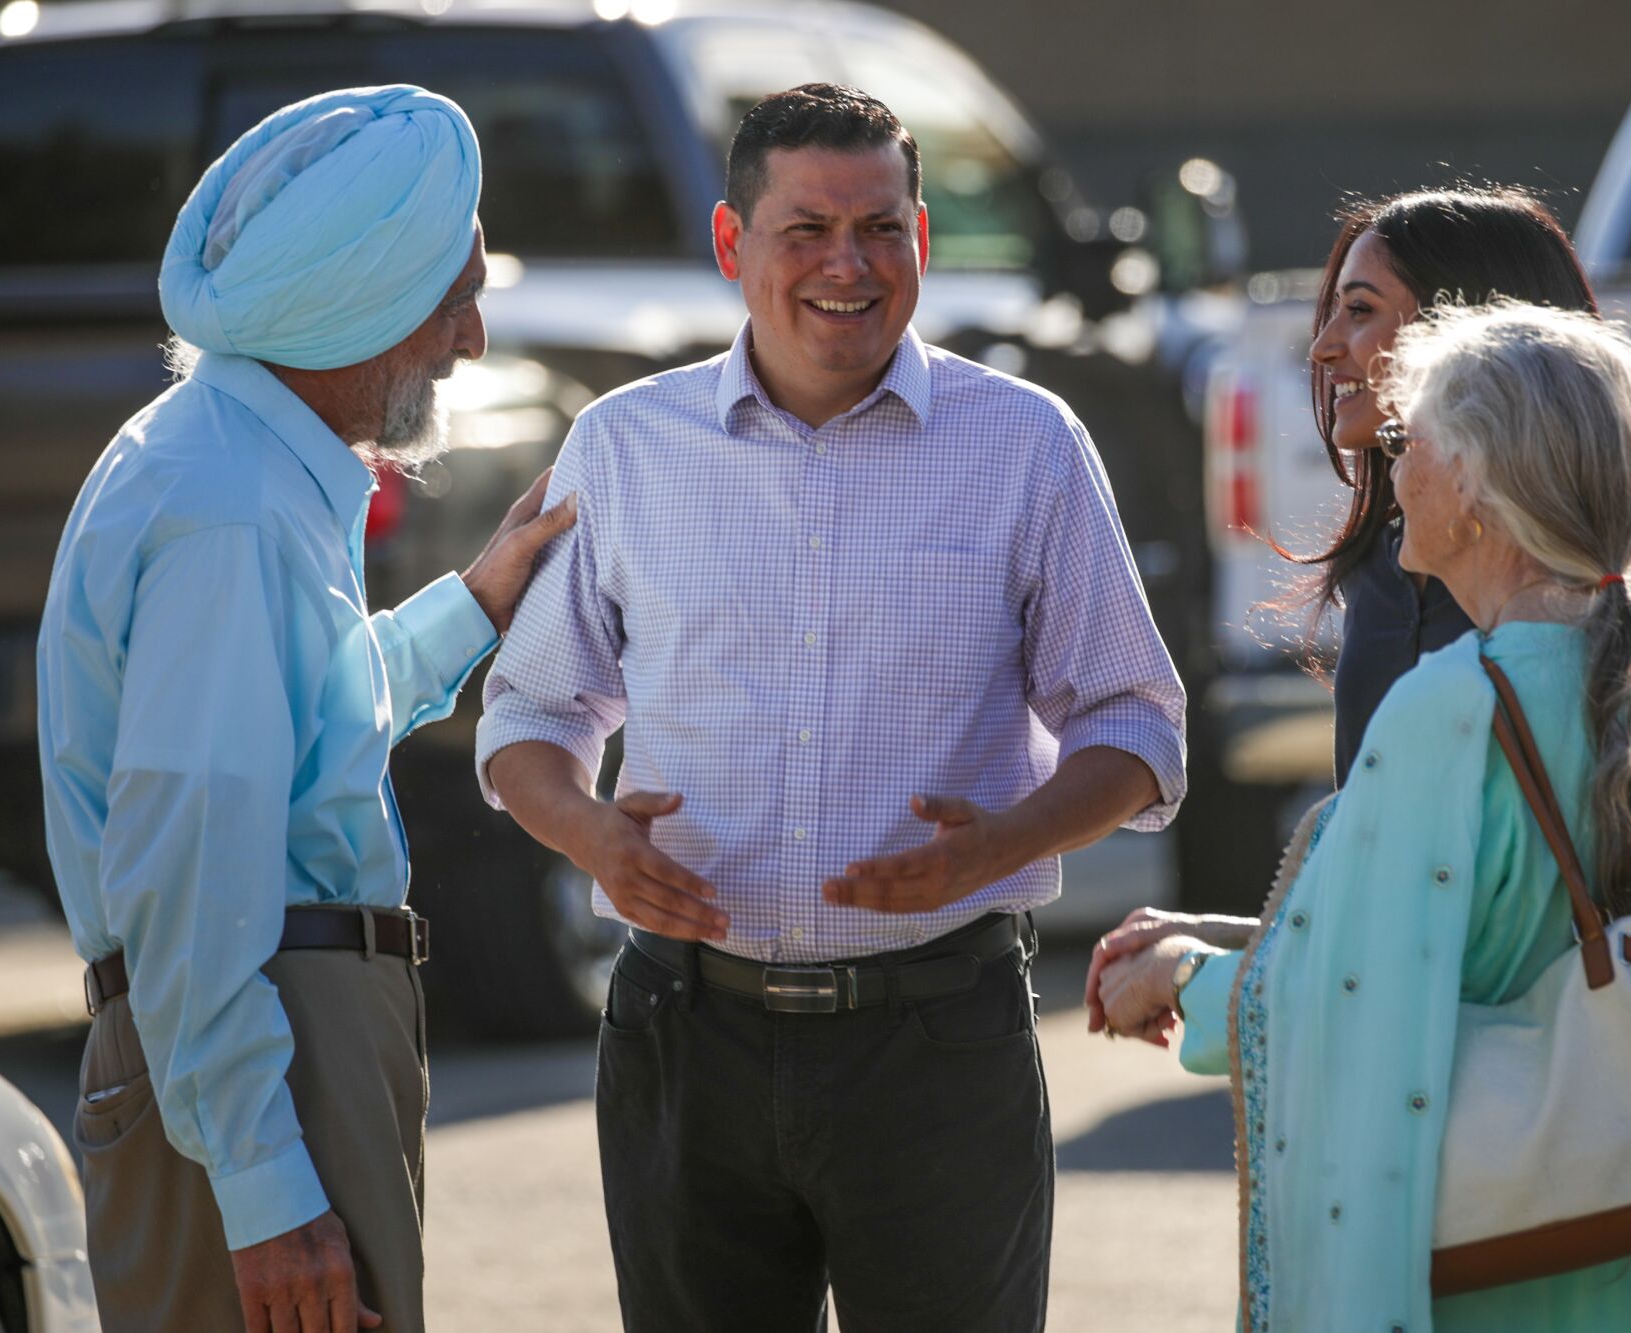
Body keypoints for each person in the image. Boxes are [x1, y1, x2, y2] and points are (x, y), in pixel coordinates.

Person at [478, 83, 1185, 1331]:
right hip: (682, 1035)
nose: (846, 266)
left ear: (920, 238)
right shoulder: (624, 448)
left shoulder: (1023, 442)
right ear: (729, 244)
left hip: (937, 1040)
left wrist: (1004, 842)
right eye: (805, 229)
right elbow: (526, 714)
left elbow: (1135, 723)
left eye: (880, 228)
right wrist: (593, 836)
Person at [1094, 301, 1631, 1330]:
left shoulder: (1454, 705)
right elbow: (1497, 945)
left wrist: (1174, 980)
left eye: (1410, 441)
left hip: (1514, 1271)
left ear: (1475, 485)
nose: (1392, 472)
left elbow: (1351, 999)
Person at [37, 86, 576, 1333]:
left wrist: (477, 601)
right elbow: (191, 862)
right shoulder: (227, 505)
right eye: (456, 298)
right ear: (364, 310)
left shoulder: (228, 461)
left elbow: (293, 744)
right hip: (269, 1052)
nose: (474, 339)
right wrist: (270, 1189)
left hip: (266, 1050)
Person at [1089, 185, 1631, 1023]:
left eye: (1359, 312)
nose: (1323, 349)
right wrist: (1225, 938)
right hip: (1410, 1100)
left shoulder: (1611, 567)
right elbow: (1400, 905)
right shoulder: (1385, 568)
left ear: (1469, 335)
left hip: (1547, 1117)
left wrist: (1582, 991)